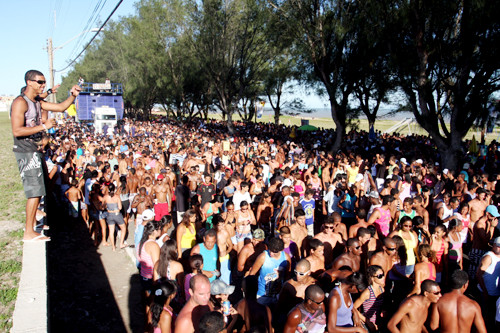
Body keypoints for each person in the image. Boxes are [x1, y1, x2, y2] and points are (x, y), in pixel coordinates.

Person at [11, 69, 81, 241]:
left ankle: (35, 216)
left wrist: (72, 96)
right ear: (29, 82)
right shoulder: (21, 102)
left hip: (35, 150)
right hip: (26, 150)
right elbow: (17, 130)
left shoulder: (37, 102)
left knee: (44, 184)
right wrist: (44, 127)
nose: (44, 85)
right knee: (34, 192)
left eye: (44, 82)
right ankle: (29, 232)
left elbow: (61, 107)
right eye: (40, 82)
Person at [248, 237, 291, 306]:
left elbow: (288, 276)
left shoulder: (286, 258)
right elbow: (252, 274)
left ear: (281, 250)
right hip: (262, 295)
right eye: (270, 250)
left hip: (278, 295)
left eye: (274, 252)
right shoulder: (263, 257)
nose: (271, 253)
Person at [477, 236, 500, 330]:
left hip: (496, 292)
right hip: (486, 292)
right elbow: (479, 275)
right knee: (484, 315)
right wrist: (485, 291)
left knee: (493, 315)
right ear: (493, 245)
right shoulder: (488, 257)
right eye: (498, 246)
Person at [353, 265, 385, 332]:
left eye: (383, 274)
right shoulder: (367, 293)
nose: (383, 277)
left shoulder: (382, 289)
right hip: (367, 324)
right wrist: (368, 322)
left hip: (378, 323)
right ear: (372, 278)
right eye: (380, 276)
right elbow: (353, 307)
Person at [103, 183, 127, 251]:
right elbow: (120, 207)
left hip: (109, 214)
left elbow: (103, 206)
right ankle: (121, 243)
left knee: (111, 231)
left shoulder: (105, 197)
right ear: (114, 189)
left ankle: (113, 247)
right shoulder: (117, 197)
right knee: (123, 228)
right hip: (117, 214)